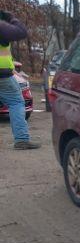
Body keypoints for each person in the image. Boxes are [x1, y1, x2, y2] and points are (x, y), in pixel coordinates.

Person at [0, 10, 40, 149]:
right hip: (2, 75)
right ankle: (21, 139)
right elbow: (21, 32)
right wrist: (11, 18)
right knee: (16, 102)